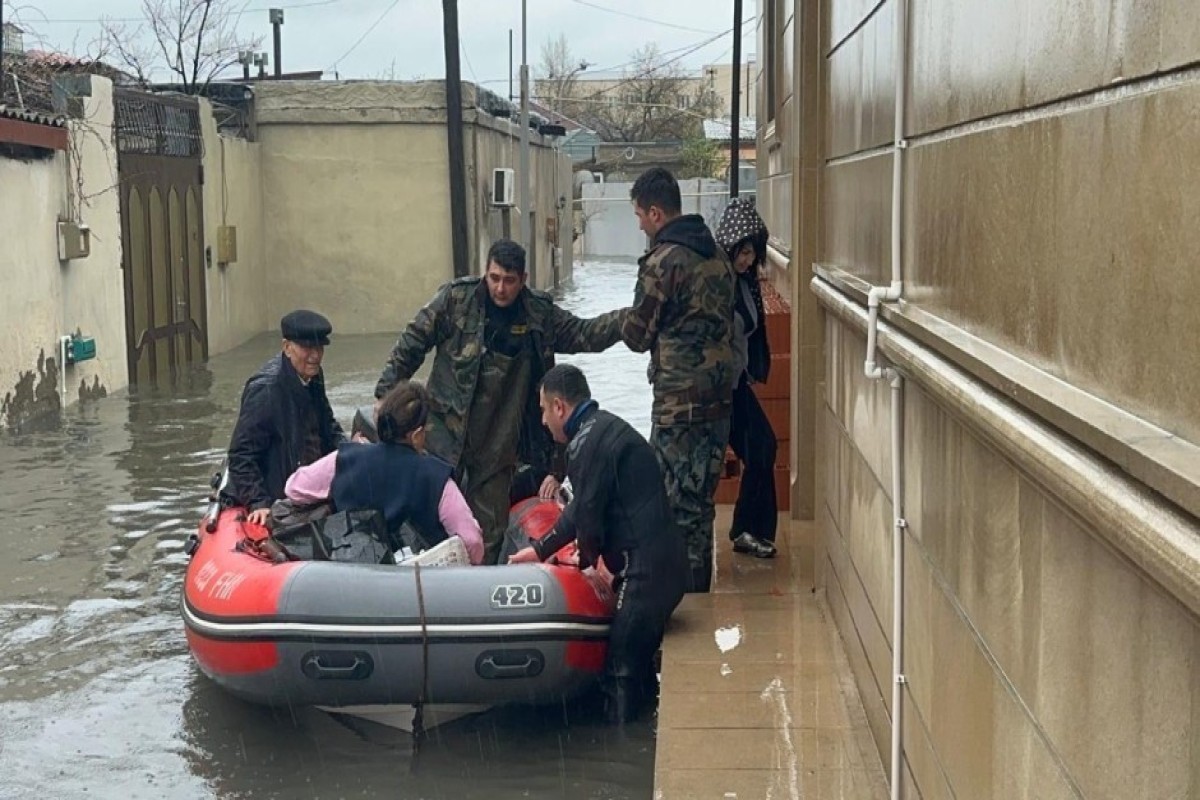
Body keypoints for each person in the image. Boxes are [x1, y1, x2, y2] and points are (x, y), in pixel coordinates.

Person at [374, 238, 625, 564]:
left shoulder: (539, 313)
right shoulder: (455, 299)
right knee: (427, 520)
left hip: (498, 447)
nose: (500, 288)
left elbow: (586, 333)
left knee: (488, 533)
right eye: (494, 278)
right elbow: (411, 344)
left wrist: (628, 320)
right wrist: (384, 396)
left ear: (523, 279)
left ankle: (481, 594)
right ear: (485, 273)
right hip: (442, 436)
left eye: (509, 281)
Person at [509, 364, 687, 723]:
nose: (542, 420)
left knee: (618, 669)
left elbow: (588, 519)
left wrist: (589, 564)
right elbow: (578, 509)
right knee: (637, 664)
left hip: (646, 577)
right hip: (667, 567)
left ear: (560, 407)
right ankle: (646, 722)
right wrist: (541, 549)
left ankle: (622, 755)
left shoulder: (584, 446)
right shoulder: (603, 429)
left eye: (544, 410)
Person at [620, 167, 735, 593]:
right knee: (701, 503)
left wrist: (621, 322)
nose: (639, 225)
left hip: (678, 404)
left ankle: (683, 599)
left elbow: (637, 335)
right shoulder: (717, 254)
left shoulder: (664, 260)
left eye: (639, 216)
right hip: (720, 397)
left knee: (672, 504)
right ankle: (699, 588)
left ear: (655, 213)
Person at [283, 381, 485, 565]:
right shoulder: (437, 477)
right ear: (416, 435)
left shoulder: (345, 458)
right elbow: (471, 540)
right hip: (417, 584)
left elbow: (294, 489)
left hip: (351, 575)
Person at [223, 309, 347, 526]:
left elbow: (328, 425)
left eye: (319, 348)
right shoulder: (265, 390)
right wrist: (258, 501)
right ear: (287, 348)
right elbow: (241, 454)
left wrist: (349, 453)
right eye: (307, 348)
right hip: (278, 493)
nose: (315, 355)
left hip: (307, 485)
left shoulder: (314, 376)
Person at [714, 198, 779, 559]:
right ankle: (746, 530)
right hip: (720, 390)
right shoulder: (717, 285)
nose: (747, 260)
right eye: (742, 252)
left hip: (739, 383)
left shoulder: (747, 284)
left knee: (765, 448)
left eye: (752, 253)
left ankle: (751, 530)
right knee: (762, 448)